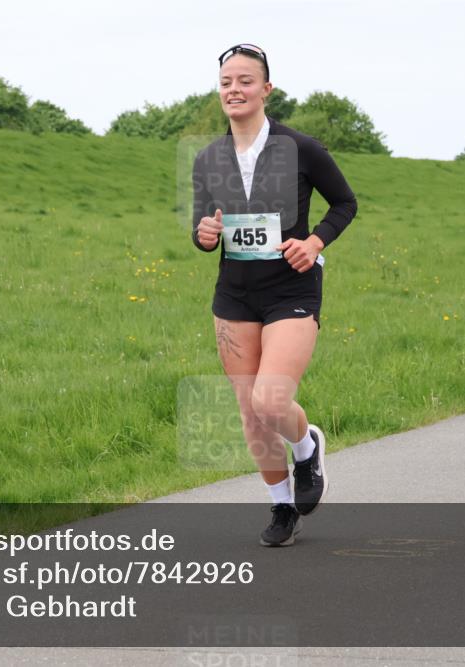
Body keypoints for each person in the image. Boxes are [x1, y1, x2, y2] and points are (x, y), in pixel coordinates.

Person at [191, 44, 358, 546]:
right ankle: (282, 507)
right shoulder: (208, 158)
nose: (234, 90)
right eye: (226, 82)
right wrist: (203, 234)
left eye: (245, 81)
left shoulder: (301, 148)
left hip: (291, 289)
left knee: (270, 399)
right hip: (235, 295)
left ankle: (306, 447)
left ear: (266, 89)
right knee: (250, 410)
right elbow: (202, 229)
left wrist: (314, 242)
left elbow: (344, 203)